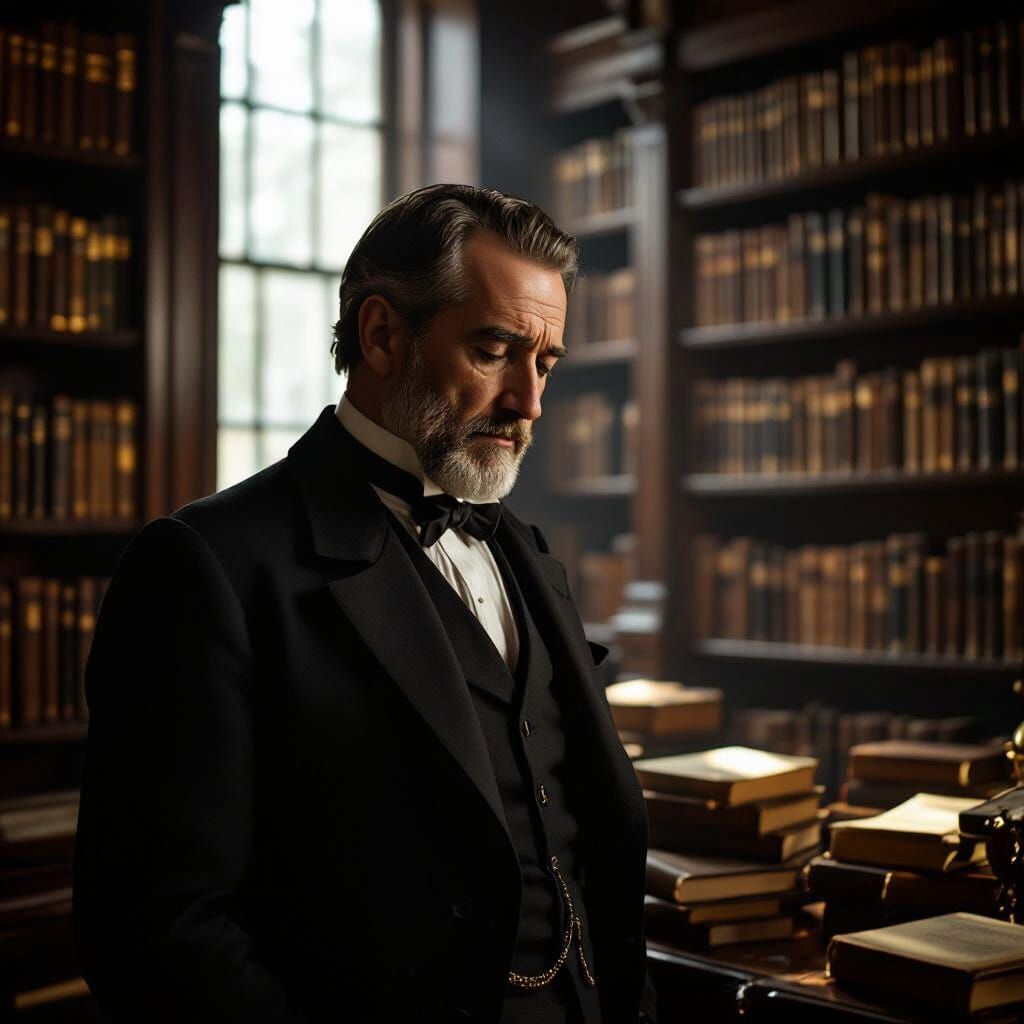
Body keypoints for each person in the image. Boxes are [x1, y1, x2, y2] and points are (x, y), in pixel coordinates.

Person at [72, 183, 657, 1024]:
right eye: (494, 350)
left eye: (546, 364)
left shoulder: (524, 550)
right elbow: (157, 932)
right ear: (382, 334)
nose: (529, 402)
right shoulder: (208, 568)